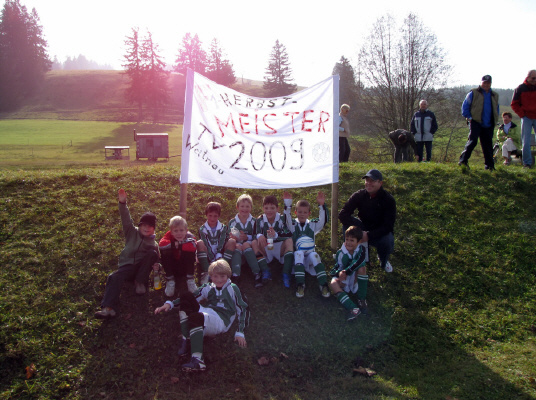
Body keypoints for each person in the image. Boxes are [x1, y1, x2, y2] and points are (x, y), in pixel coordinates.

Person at [154, 259, 249, 372]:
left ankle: (198, 360)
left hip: (221, 320)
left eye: (222, 276)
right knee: (186, 297)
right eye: (215, 276)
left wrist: (240, 332)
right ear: (210, 276)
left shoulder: (233, 288)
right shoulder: (208, 287)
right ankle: (186, 338)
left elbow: (243, 308)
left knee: (197, 317)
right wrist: (169, 304)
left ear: (228, 275)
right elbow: (193, 296)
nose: (219, 280)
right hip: (208, 311)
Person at [94, 189, 159, 319]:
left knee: (152, 253)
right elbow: (125, 217)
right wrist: (122, 203)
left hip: (141, 270)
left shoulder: (153, 244)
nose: (146, 228)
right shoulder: (131, 232)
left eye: (150, 226)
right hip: (127, 267)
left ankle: (139, 282)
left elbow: (157, 262)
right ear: (139, 226)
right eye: (144, 225)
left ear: (154, 229)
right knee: (113, 277)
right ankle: (108, 308)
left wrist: (158, 267)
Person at [339, 169, 396, 273]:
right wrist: (359, 232)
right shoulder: (359, 195)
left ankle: (383, 260)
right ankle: (349, 255)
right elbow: (343, 214)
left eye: (372, 181)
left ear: (380, 183)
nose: (369, 183)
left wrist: (369, 235)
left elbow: (388, 226)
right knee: (347, 227)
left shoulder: (388, 200)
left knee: (387, 241)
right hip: (363, 226)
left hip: (379, 231)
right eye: (367, 180)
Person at [282, 191, 330, 298]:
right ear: (295, 212)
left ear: (309, 213)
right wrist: (287, 204)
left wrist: (322, 205)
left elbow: (323, 221)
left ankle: (323, 285)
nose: (302, 214)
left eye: (305, 212)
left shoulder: (312, 225)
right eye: (300, 212)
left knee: (315, 255)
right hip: (297, 259)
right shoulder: (293, 224)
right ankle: (300, 285)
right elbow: (286, 219)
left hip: (309, 259)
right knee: (298, 253)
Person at [459, 75, 500, 170]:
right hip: (475, 121)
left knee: (488, 145)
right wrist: (469, 117)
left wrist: (495, 119)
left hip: (489, 123)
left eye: (488, 83)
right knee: (472, 142)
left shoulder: (495, 95)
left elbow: (496, 109)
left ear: (490, 84)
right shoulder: (473, 93)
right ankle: (463, 161)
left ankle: (490, 166)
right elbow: (465, 106)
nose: (486, 85)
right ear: (481, 82)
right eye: (484, 82)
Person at [329, 226, 368, 320]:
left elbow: (358, 262)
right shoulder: (340, 253)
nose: (348, 242)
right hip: (345, 279)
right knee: (333, 283)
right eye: (347, 239)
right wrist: (339, 273)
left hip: (354, 278)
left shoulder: (362, 250)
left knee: (362, 268)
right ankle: (353, 308)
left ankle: (361, 299)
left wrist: (346, 271)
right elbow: (337, 267)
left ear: (359, 242)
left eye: (352, 240)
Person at [228, 194, 265, 288]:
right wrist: (234, 237)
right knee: (237, 246)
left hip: (250, 247)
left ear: (251, 208)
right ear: (237, 207)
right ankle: (235, 275)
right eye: (242, 206)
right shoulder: (232, 222)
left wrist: (247, 237)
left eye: (247, 206)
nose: (244, 209)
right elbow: (230, 235)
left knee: (245, 245)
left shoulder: (254, 221)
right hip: (238, 248)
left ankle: (257, 273)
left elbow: (256, 235)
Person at [255, 195, 294, 283]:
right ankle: (265, 270)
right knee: (254, 243)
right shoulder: (260, 219)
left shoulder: (282, 218)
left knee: (289, 241)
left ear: (277, 208)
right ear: (263, 208)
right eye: (266, 208)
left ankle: (286, 273)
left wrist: (276, 235)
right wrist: (259, 235)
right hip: (267, 246)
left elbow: (288, 234)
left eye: (272, 208)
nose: (269, 210)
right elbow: (255, 233)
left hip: (279, 247)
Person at [197, 202, 236, 285]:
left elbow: (222, 241)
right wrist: (212, 258)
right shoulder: (202, 229)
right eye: (210, 215)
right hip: (208, 254)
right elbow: (206, 243)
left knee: (232, 241)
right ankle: (207, 271)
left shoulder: (223, 227)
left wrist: (219, 254)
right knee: (200, 243)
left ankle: (223, 268)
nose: (212, 218)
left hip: (220, 254)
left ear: (219, 216)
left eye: (215, 216)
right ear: (206, 215)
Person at [158, 216, 197, 297]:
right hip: (173, 266)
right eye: (175, 231)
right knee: (165, 251)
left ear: (186, 230)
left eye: (181, 230)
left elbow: (193, 245)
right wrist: (174, 244)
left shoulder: (189, 235)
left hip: (185, 267)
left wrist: (179, 244)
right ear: (171, 232)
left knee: (189, 250)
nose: (179, 233)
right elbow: (161, 244)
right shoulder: (169, 235)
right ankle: (170, 280)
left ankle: (190, 279)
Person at [510, 69, 536, 168]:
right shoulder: (520, 88)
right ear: (528, 77)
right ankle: (527, 163)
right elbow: (514, 104)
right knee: (526, 141)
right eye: (533, 78)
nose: (535, 80)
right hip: (526, 118)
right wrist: (522, 115)